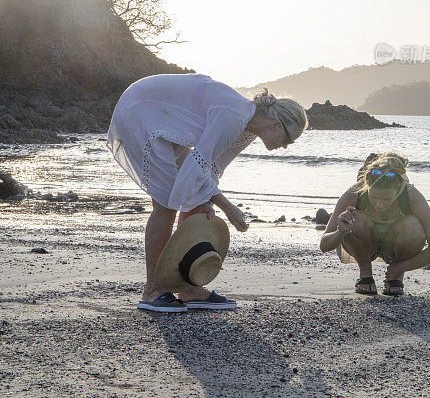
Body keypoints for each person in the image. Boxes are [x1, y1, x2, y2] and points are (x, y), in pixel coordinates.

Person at [107, 74, 308, 311]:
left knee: (198, 201)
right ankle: (152, 290)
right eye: (289, 140)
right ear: (275, 125)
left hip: (166, 119)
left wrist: (207, 199)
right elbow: (194, 169)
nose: (285, 146)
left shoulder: (249, 129)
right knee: (166, 205)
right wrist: (227, 207)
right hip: (141, 112)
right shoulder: (235, 116)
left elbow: (212, 167)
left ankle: (188, 286)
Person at [319, 152, 430, 296]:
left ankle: (396, 276)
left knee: (413, 226)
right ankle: (365, 273)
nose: (378, 204)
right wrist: (341, 231)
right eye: (373, 197)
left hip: (396, 246)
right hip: (364, 244)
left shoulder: (411, 195)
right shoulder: (354, 193)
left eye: (386, 199)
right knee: (355, 218)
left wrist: (401, 267)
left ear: (398, 190)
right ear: (367, 187)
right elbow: (324, 245)